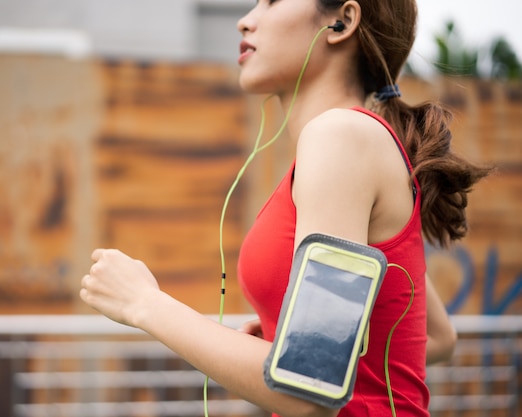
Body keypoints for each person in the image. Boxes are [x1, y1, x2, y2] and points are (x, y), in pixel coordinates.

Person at [80, 0, 490, 416]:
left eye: (271, 1)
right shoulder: (349, 142)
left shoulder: (341, 137)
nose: (246, 20)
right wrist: (285, 340)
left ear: (342, 21)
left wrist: (146, 304)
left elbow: (306, 394)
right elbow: (438, 337)